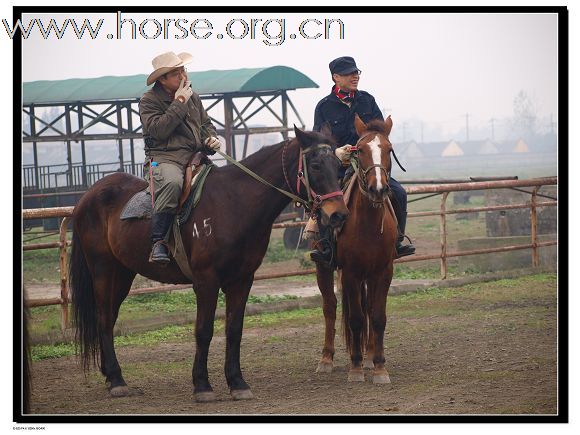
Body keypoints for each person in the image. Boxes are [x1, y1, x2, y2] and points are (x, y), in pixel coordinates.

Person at [311, 56, 415, 263]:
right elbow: (319, 144)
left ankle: (398, 242)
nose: (355, 76)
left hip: (369, 165)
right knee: (325, 200)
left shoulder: (367, 100)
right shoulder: (323, 107)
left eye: (356, 73)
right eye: (350, 73)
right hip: (340, 168)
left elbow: (380, 132)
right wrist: (336, 152)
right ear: (336, 77)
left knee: (400, 193)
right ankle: (326, 249)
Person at [140, 51, 221, 264]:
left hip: (195, 156)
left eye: (183, 69)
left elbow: (205, 125)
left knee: (221, 182)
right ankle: (158, 241)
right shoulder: (149, 100)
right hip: (165, 158)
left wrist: (211, 139)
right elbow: (158, 131)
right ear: (162, 80)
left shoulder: (193, 96)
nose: (183, 75)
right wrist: (179, 102)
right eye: (176, 73)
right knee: (172, 183)